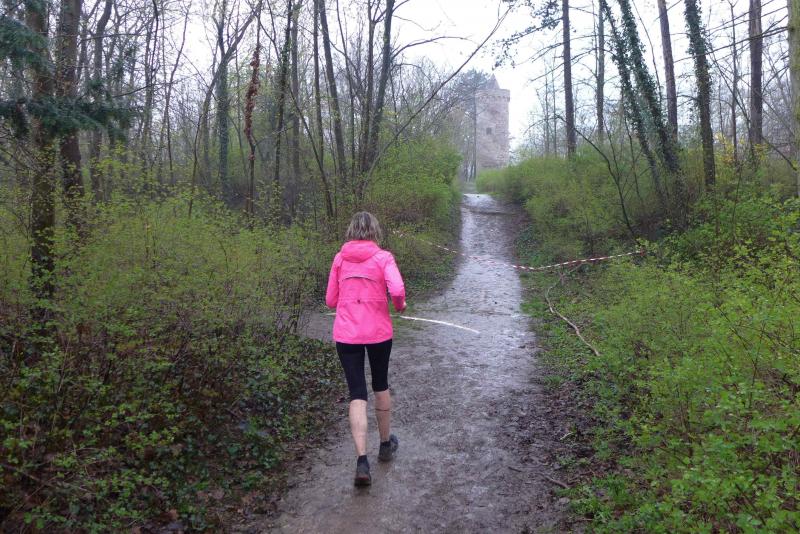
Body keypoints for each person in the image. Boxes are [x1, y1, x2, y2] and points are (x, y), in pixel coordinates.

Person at [325, 211, 406, 486]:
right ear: (374, 231)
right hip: (378, 333)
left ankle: (362, 462)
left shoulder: (340, 259)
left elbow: (330, 300)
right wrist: (399, 306)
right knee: (380, 385)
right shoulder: (383, 258)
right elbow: (397, 289)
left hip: (347, 335)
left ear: (351, 230)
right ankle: (385, 445)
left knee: (357, 393)